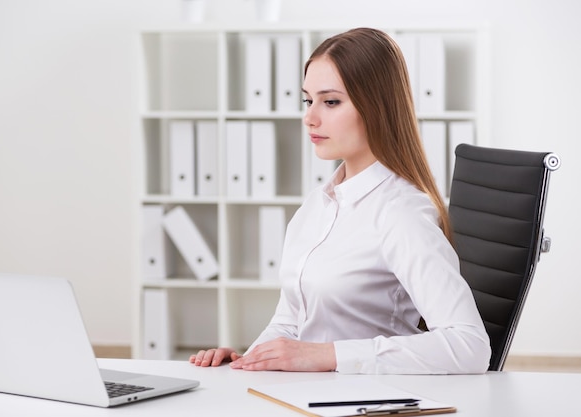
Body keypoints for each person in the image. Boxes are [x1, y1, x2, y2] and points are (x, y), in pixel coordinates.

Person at [189, 27, 491, 374]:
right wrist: (247, 360)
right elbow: (290, 322)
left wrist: (327, 356)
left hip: (366, 401)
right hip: (305, 395)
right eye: (308, 100)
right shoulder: (316, 206)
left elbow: (469, 346)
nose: (310, 117)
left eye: (330, 101)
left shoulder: (401, 212)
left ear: (377, 107)